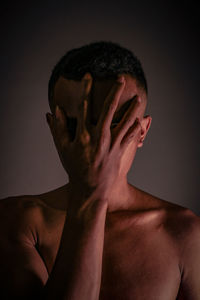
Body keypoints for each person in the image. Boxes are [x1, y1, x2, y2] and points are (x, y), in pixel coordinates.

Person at [0, 41, 200, 300]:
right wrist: (91, 194)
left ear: (142, 131)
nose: (97, 145)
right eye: (76, 126)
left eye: (115, 125)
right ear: (54, 130)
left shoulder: (184, 233)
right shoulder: (16, 222)